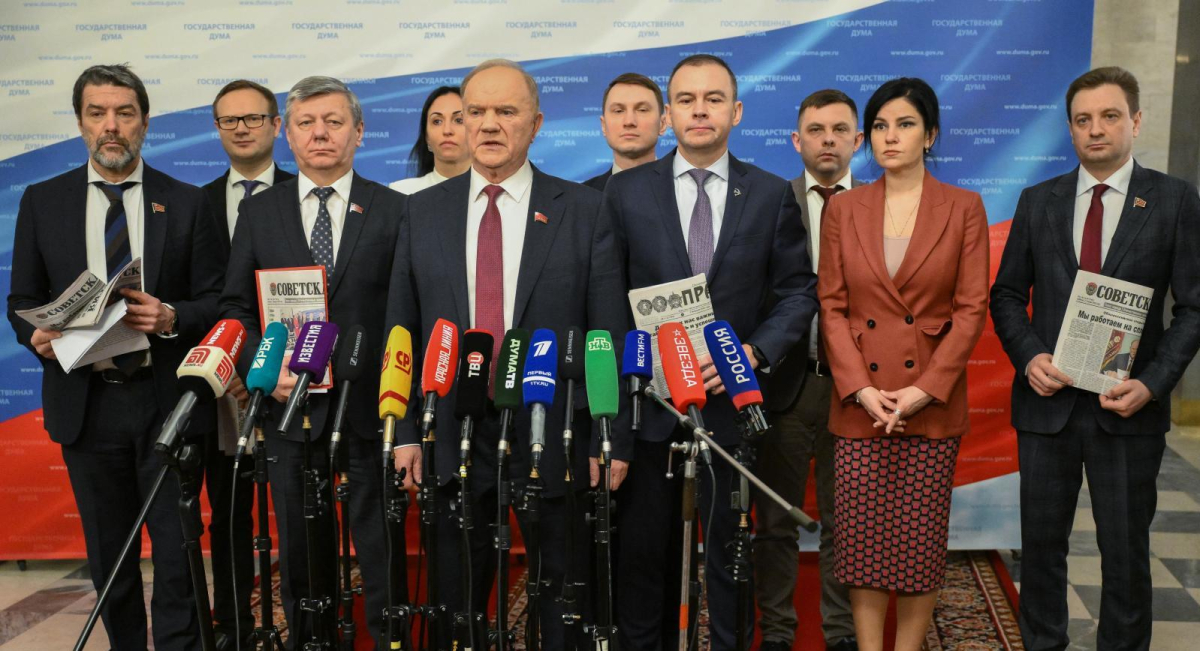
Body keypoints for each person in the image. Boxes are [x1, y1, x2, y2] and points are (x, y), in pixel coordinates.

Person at [387, 58, 630, 650]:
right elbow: (403, 327)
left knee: (562, 598)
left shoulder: (584, 209)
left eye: (506, 111)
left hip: (555, 428)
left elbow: (609, 331)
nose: (488, 124)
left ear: (536, 123)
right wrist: (405, 432)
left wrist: (611, 436)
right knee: (456, 603)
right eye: (475, 112)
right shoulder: (422, 211)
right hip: (453, 424)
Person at [602, 54, 818, 651]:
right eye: (687, 99)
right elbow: (606, 297)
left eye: (714, 99)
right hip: (649, 408)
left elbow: (799, 292)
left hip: (731, 410)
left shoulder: (770, 194)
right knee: (644, 560)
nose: (700, 110)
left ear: (737, 111)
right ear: (668, 115)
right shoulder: (625, 192)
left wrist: (752, 353)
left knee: (730, 561)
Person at [6, 64, 224, 651]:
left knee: (177, 549)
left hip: (167, 402)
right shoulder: (43, 201)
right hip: (87, 403)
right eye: (97, 113)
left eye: (124, 113)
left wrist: (172, 316)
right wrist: (34, 335)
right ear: (80, 122)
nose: (111, 126)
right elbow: (20, 300)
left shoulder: (187, 202)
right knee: (110, 552)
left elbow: (217, 300)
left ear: (145, 122)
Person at [990, 66, 1200, 651]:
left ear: (1136, 121)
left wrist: (1152, 384)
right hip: (1047, 406)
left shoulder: (1174, 200)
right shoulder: (1039, 201)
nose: (1096, 129)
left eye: (1109, 116)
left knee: (1125, 553)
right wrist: (1029, 357)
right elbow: (1006, 295)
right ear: (1070, 129)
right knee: (1041, 551)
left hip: (1128, 409)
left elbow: (1194, 307)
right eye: (1082, 120)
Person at [218, 75, 407, 650]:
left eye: (333, 122)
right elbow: (236, 308)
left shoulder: (396, 209)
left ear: (359, 132)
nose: (320, 133)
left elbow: (410, 312)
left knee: (382, 552)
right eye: (306, 123)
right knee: (302, 558)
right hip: (289, 410)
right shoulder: (259, 212)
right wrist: (265, 365)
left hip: (372, 409)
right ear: (288, 133)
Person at [818, 77, 989, 651]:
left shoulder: (963, 207)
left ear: (930, 134)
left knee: (919, 545)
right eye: (880, 126)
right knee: (861, 546)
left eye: (906, 125)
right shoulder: (844, 208)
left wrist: (924, 390)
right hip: (861, 403)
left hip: (929, 403)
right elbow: (832, 306)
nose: (890, 137)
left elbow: (970, 309)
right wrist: (859, 388)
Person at [755, 88, 864, 651]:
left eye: (839, 130)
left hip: (857, 390)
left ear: (857, 140)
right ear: (796, 141)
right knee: (775, 520)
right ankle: (776, 630)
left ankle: (841, 633)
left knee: (848, 522)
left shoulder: (879, 205)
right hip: (786, 388)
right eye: (816, 130)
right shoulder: (769, 202)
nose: (828, 140)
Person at [200, 78, 296, 651]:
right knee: (231, 506)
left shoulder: (306, 192)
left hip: (294, 376)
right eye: (229, 120)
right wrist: (233, 367)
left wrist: (267, 364)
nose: (242, 128)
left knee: (300, 506)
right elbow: (206, 295)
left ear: (276, 125)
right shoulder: (194, 202)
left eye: (253, 118)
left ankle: (303, 620)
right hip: (222, 385)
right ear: (216, 128)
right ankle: (232, 625)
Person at [584, 72, 667, 191]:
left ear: (662, 124)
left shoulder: (684, 190)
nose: (629, 121)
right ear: (603, 125)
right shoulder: (583, 196)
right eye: (618, 111)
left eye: (642, 110)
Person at [390, 85, 470, 194]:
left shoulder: (491, 193)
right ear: (427, 137)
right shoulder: (402, 192)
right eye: (437, 121)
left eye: (459, 120)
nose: (447, 130)